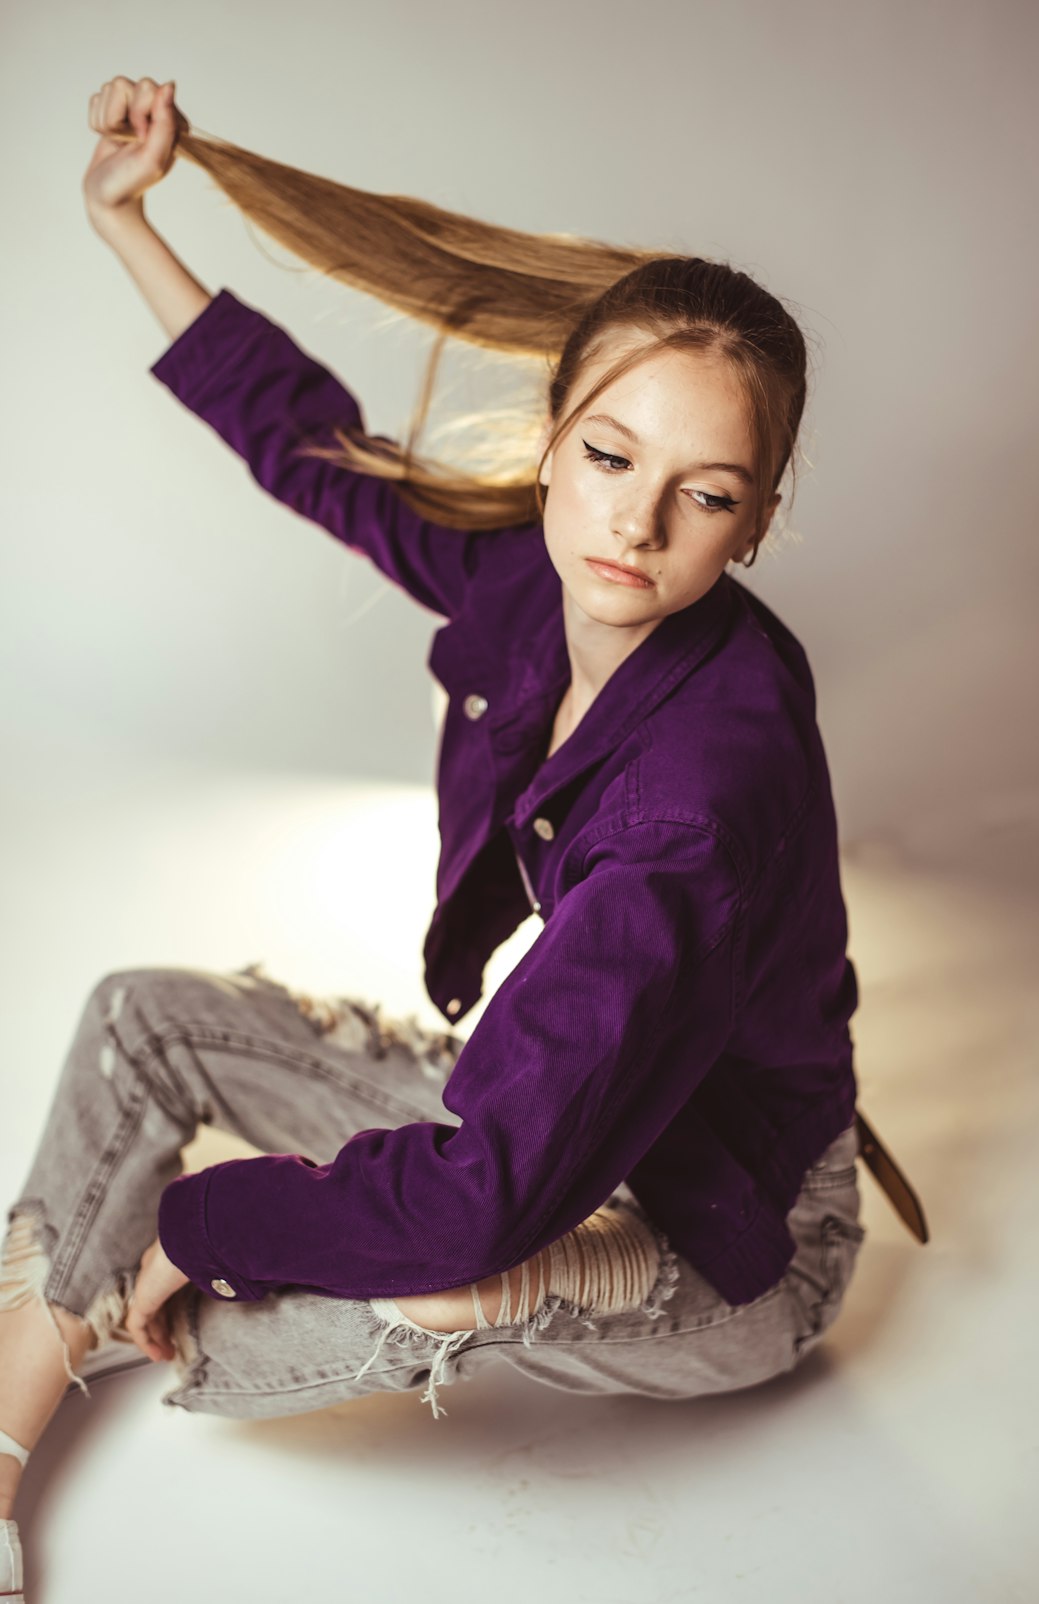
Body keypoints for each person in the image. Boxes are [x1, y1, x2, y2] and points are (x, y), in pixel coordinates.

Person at [0, 74, 870, 1598]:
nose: (637, 527)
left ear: (756, 520)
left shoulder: (701, 797)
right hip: (581, 1114)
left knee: (412, 1284)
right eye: (610, 458)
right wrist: (126, 225)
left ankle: (126, 1292)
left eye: (707, 495)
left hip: (739, 1236)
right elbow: (315, 450)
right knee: (142, 1019)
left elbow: (476, 1198)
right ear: (552, 441)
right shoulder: (540, 579)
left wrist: (198, 1222)